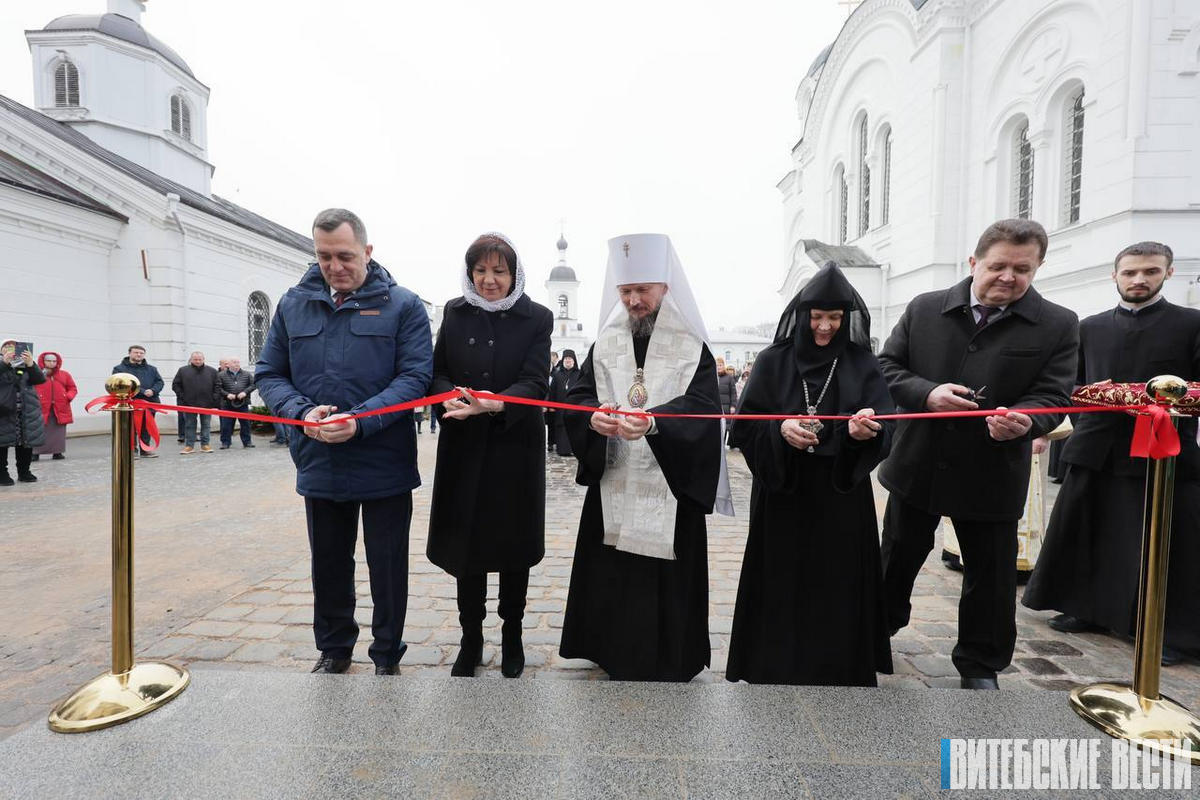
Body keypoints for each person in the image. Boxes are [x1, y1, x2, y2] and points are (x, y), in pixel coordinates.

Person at [877, 218, 1078, 690]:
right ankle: (875, 630)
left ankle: (980, 662)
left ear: (1038, 268)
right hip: (919, 462)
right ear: (974, 262)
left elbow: (1053, 395)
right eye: (998, 266)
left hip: (993, 468)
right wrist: (926, 393)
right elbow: (886, 367)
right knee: (897, 556)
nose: (1008, 277)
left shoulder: (1058, 323)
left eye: (1022, 269)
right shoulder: (926, 308)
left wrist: (1026, 421)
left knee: (989, 573)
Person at [256, 208, 432, 676]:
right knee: (329, 562)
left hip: (384, 459)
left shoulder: (404, 305)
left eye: (345, 256)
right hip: (319, 457)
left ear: (368, 252)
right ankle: (334, 648)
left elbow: (415, 377)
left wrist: (361, 420)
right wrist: (298, 412)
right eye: (324, 255)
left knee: (387, 565)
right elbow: (270, 373)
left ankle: (387, 653)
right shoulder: (294, 304)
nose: (335, 266)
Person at [559, 233, 731, 682]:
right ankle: (609, 649)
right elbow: (578, 398)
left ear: (665, 288)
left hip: (669, 488)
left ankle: (672, 655)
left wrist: (656, 423)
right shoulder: (606, 343)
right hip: (614, 480)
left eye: (643, 291)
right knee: (614, 572)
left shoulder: (692, 347)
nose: (634, 300)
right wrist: (592, 419)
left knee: (663, 579)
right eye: (625, 292)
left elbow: (702, 408)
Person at [1023, 241, 1200, 665]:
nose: (1139, 279)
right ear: (1115, 275)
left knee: (1168, 543)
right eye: (1130, 272)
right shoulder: (1090, 326)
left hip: (1163, 450)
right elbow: (1071, 385)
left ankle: (1170, 628)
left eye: (1151, 272)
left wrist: (1154, 402)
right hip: (1096, 447)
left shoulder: (1191, 324)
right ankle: (1088, 608)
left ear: (1168, 274)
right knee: (1092, 531)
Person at [726, 264, 894, 687]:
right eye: (816, 318)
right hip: (784, 492)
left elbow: (887, 425)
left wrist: (860, 432)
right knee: (782, 581)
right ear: (801, 316)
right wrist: (779, 429)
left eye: (834, 319)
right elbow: (743, 426)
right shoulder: (772, 360)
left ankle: (837, 666)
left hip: (840, 495)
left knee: (837, 585)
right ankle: (773, 664)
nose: (824, 328)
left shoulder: (861, 362)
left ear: (847, 318)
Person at [427, 232, 553, 678]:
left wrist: (494, 402)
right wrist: (450, 400)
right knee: (468, 548)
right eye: (480, 270)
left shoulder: (537, 317)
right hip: (464, 446)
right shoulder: (454, 312)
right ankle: (470, 637)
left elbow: (537, 383)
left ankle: (513, 635)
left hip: (513, 449)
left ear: (514, 273)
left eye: (499, 271)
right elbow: (438, 371)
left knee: (512, 546)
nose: (489, 280)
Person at [0, 341, 45, 485]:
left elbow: (39, 379)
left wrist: (31, 364)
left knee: (26, 443)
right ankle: (2, 474)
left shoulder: (25, 364)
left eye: (13, 346)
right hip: (4, 411)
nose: (10, 349)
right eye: (6, 346)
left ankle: (24, 472)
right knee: (2, 443)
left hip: (26, 410)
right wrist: (4, 364)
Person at [112, 345, 165, 458]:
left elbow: (159, 382)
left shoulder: (152, 369)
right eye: (136, 352)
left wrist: (153, 390)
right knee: (130, 427)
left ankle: (145, 449)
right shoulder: (119, 369)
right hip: (130, 402)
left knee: (147, 427)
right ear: (130, 353)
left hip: (150, 401)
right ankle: (132, 450)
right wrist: (142, 391)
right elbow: (120, 384)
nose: (139, 355)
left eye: (141, 353)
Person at [172, 352, 220, 454]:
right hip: (189, 404)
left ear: (203, 359)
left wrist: (214, 398)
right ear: (191, 359)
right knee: (189, 425)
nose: (197, 361)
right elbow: (176, 385)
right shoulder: (183, 370)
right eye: (195, 359)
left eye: (200, 359)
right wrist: (183, 397)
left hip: (207, 404)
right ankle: (189, 446)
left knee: (206, 425)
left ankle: (205, 445)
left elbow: (218, 385)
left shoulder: (212, 371)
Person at [33, 352, 77, 461]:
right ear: (43, 361)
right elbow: (30, 387)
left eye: (54, 361)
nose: (52, 363)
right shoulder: (37, 374)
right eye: (49, 360)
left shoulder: (65, 375)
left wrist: (67, 397)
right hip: (41, 407)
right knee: (38, 430)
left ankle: (57, 452)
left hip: (60, 407)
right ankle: (35, 453)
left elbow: (72, 388)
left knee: (58, 432)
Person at [217, 357, 255, 449]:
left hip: (243, 403)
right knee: (226, 425)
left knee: (245, 424)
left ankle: (247, 442)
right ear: (228, 365)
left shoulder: (247, 374)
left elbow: (254, 384)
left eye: (238, 362)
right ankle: (225, 442)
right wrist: (227, 394)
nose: (237, 364)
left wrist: (245, 392)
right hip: (227, 404)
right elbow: (217, 388)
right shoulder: (221, 375)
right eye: (234, 362)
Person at [549, 349, 580, 456]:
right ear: (563, 360)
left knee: (574, 427)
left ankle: (574, 449)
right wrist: (551, 405)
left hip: (575, 407)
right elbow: (552, 390)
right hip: (560, 408)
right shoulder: (557, 375)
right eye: (566, 359)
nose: (568, 361)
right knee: (561, 427)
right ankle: (562, 449)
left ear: (574, 361)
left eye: (570, 359)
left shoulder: (579, 374)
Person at [546, 351, 561, 452]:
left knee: (552, 423)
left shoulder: (556, 373)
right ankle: (549, 442)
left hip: (552, 402)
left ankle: (552, 442)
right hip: (543, 401)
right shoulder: (542, 372)